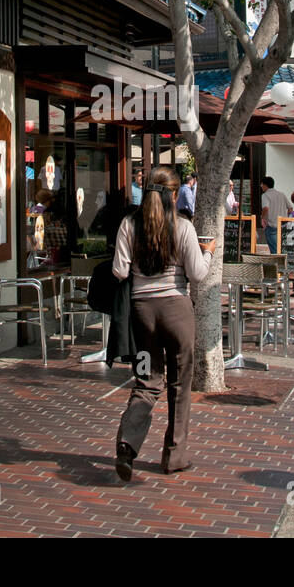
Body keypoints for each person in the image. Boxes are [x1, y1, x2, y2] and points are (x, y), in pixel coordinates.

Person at [113, 167, 218, 481]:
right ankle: (174, 457)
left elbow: (120, 271)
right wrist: (208, 252)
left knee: (146, 381)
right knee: (179, 385)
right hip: (177, 313)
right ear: (175, 195)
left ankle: (127, 446)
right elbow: (198, 274)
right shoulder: (183, 227)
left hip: (142, 315)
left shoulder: (129, 224)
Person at [259, 176, 291, 251]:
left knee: (274, 250)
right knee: (282, 250)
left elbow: (265, 208)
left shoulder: (265, 195)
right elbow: (290, 208)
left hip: (272, 226)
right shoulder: (281, 194)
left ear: (265, 185)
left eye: (262, 184)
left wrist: (262, 218)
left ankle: (277, 263)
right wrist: (287, 219)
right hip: (283, 226)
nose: (261, 186)